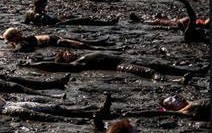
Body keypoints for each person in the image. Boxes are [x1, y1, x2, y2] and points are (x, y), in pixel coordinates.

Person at [24, 50, 205, 78]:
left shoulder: (84, 56)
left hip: (125, 59)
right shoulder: (78, 64)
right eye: (64, 55)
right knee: (151, 71)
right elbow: (56, 67)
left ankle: (194, 71)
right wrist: (34, 64)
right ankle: (177, 80)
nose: (68, 53)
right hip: (120, 66)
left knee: (160, 64)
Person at [24, 0, 117, 27]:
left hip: (56, 20)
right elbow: (50, 26)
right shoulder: (40, 17)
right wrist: (64, 22)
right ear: (41, 5)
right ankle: (107, 23)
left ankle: (102, 21)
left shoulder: (29, 12)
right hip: (60, 23)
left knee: (72, 16)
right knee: (84, 20)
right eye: (45, 4)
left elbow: (26, 23)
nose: (46, 6)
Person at [0, 27, 109, 53]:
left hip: (52, 39)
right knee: (72, 42)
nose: (20, 33)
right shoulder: (20, 42)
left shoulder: (25, 40)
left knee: (74, 41)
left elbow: (23, 47)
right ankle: (96, 46)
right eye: (18, 33)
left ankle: (96, 45)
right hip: (52, 39)